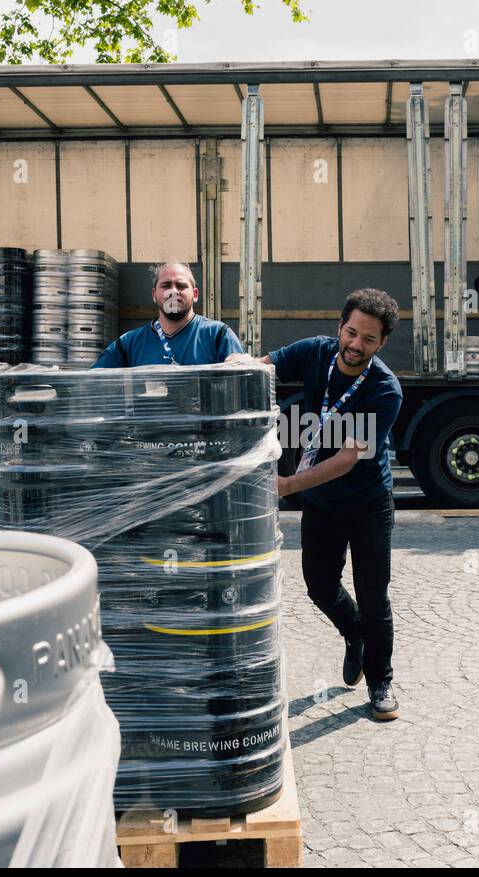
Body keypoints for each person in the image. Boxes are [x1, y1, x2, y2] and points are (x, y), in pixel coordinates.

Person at [230, 288, 404, 720]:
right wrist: (233, 366)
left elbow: (347, 458)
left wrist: (286, 485)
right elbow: (262, 366)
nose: (356, 345)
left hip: (367, 503)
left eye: (368, 339)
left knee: (373, 596)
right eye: (351, 332)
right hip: (323, 503)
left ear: (381, 343)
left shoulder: (385, 389)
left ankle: (381, 681)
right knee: (319, 585)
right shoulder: (315, 353)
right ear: (339, 327)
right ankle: (355, 636)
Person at [92, 261, 244, 368]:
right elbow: (94, 383)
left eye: (181, 286)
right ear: (154, 294)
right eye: (166, 286)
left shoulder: (218, 335)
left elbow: (243, 382)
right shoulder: (128, 344)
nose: (173, 291)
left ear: (195, 294)